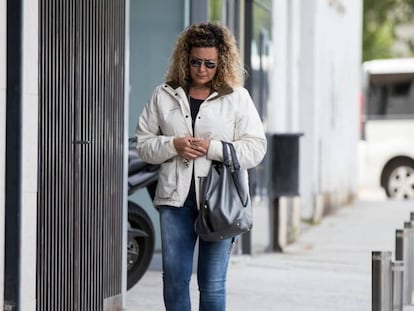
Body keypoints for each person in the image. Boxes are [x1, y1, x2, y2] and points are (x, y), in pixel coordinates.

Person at [136, 22, 266, 311]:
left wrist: (214, 148)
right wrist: (173, 145)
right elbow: (143, 144)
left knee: (212, 284)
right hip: (175, 201)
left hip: (221, 201)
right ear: (186, 58)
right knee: (174, 280)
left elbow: (256, 149)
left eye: (210, 63)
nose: (202, 69)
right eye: (196, 62)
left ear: (221, 63)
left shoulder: (237, 98)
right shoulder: (164, 94)